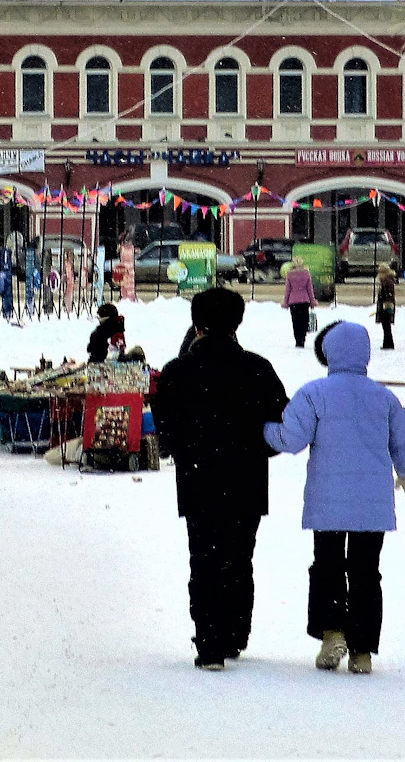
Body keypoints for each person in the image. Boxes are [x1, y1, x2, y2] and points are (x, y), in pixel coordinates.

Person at [262, 321, 405, 675]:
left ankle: (331, 632)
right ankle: (363, 650)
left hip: (328, 500)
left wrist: (264, 430)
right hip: (372, 503)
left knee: (327, 566)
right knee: (366, 572)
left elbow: (292, 439)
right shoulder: (383, 396)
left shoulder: (314, 393)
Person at [155, 287, 291, 671]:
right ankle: (234, 633)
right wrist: (255, 451)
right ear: (237, 323)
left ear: (197, 324)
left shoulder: (177, 371)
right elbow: (281, 426)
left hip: (197, 481)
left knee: (203, 558)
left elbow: (165, 432)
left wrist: (184, 447)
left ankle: (210, 643)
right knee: (238, 558)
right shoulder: (258, 368)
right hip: (246, 480)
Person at [283, 258, 316, 348]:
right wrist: (312, 301)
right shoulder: (306, 274)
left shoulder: (290, 275)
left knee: (296, 321)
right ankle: (302, 338)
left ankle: (298, 339)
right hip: (304, 301)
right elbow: (310, 289)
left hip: (293, 302)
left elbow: (288, 290)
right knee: (304, 321)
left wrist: (285, 302)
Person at [374, 264, 398, 351]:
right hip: (385, 306)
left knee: (386, 326)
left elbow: (389, 295)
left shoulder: (387, 281)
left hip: (386, 307)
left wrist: (387, 305)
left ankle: (388, 344)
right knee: (386, 326)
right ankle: (387, 343)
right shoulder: (386, 280)